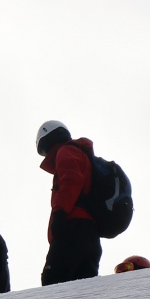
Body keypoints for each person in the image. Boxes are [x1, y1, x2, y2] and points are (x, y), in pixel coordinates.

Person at [36, 120, 103, 285]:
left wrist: (60, 213)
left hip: (72, 228)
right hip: (90, 234)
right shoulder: (82, 155)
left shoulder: (66, 151)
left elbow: (70, 181)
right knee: (84, 289)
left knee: (52, 283)